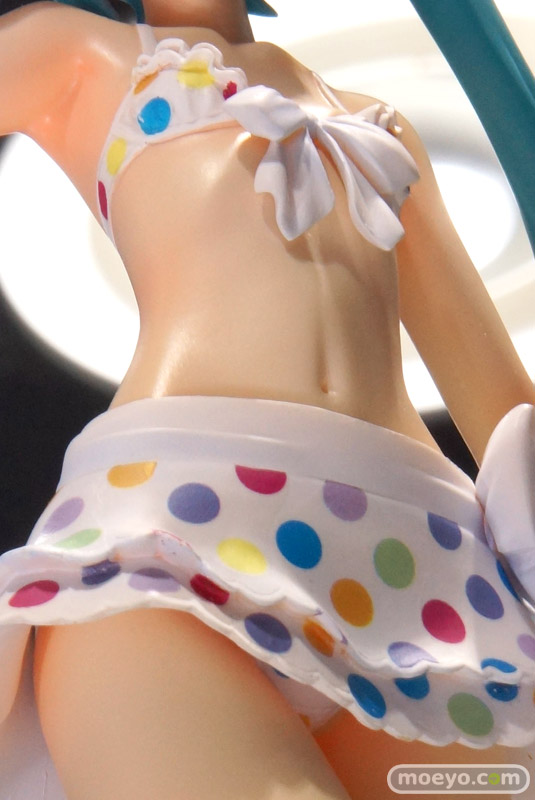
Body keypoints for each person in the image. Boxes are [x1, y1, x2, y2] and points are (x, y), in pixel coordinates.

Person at [0, 1, 535, 798]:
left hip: (439, 579)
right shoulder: (82, 53)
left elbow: (497, 399)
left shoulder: (379, 122)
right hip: (175, 534)